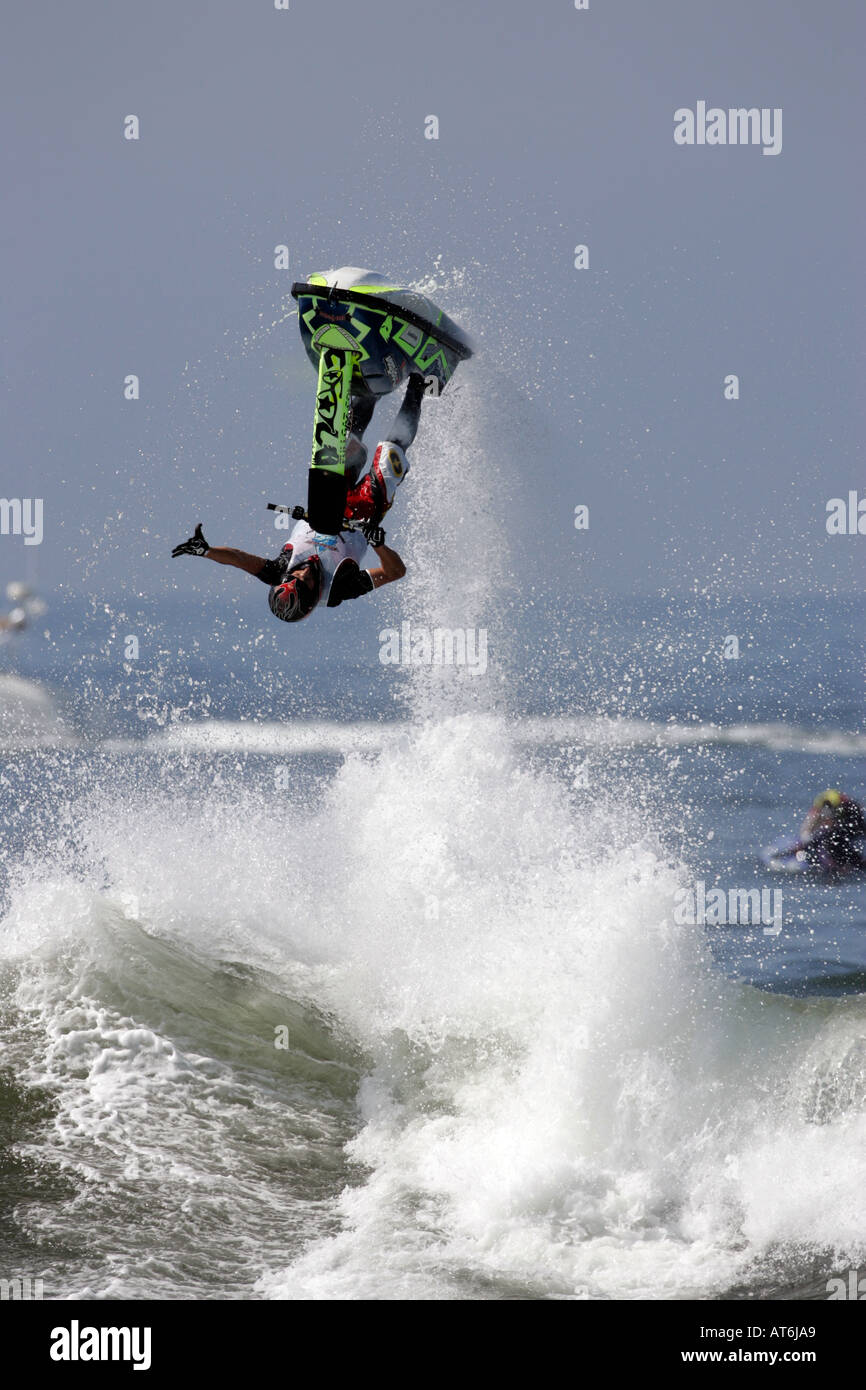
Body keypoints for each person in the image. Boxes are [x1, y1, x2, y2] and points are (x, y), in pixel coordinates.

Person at [172, 373, 426, 623]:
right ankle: (419, 380)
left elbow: (238, 559)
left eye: (296, 575)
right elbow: (395, 572)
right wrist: (378, 544)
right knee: (390, 458)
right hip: (364, 511)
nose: (304, 571)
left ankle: (374, 378)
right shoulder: (339, 588)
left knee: (348, 439)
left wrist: (207, 551)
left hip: (327, 497)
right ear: (315, 596)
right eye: (308, 580)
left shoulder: (279, 571)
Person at [798, 789, 866, 870]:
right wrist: (805, 837)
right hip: (838, 828)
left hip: (851, 824)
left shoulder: (848, 806)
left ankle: (854, 863)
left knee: (835, 840)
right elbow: (810, 823)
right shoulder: (819, 806)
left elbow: (858, 822)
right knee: (821, 840)